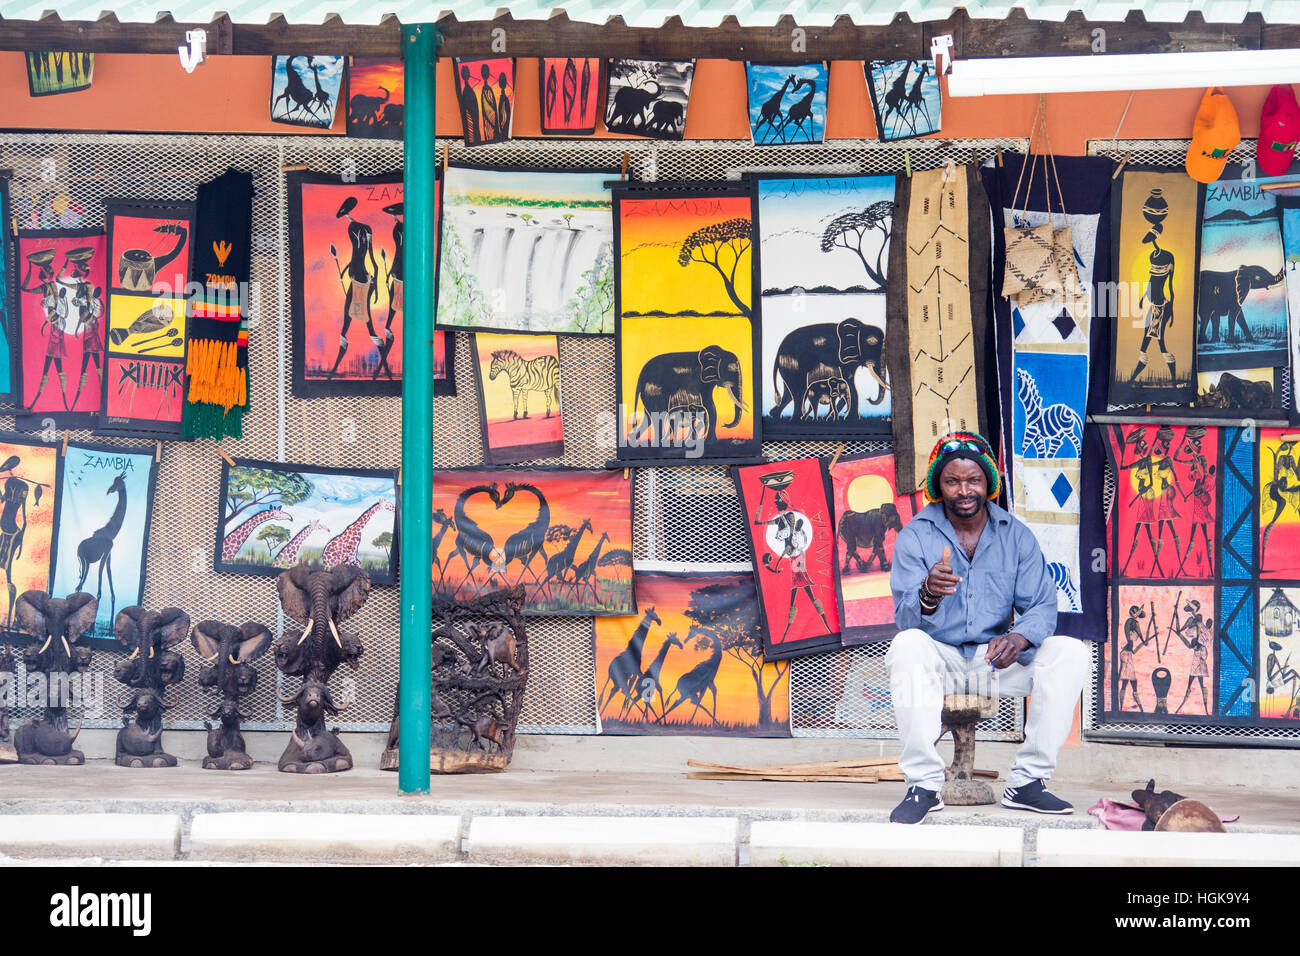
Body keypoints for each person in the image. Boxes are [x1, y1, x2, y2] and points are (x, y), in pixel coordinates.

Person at [885, 431, 1090, 824]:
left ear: (989, 482)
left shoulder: (1015, 535)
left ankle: (1027, 783)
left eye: (973, 479)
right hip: (939, 659)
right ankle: (924, 785)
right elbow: (905, 618)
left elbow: (1043, 605)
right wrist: (928, 591)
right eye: (952, 481)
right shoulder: (916, 535)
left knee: (1071, 652)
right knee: (907, 644)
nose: (964, 490)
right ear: (937, 486)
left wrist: (1020, 636)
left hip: (993, 662)